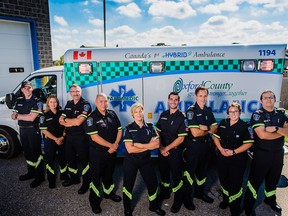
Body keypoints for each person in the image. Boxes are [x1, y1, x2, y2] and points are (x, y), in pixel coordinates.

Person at [244, 90, 288, 216]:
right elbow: (262, 135)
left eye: (271, 97)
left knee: (273, 180)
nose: (268, 99)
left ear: (275, 99)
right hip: (262, 154)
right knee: (255, 182)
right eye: (265, 98)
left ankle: (270, 200)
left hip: (278, 154)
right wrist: (281, 131)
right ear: (261, 101)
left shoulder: (281, 113)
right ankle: (248, 206)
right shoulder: (258, 115)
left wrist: (275, 128)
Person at [122, 103, 166, 216]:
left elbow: (156, 145)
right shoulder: (128, 128)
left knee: (153, 184)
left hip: (146, 160)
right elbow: (130, 149)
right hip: (131, 160)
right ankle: (127, 209)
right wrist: (148, 145)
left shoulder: (151, 127)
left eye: (140, 111)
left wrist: (139, 145)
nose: (138, 114)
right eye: (136, 112)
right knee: (128, 185)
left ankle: (154, 206)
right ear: (132, 114)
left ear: (143, 112)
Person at [83, 93, 122, 214]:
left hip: (111, 153)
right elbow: (95, 138)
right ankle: (94, 202)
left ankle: (108, 193)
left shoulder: (112, 113)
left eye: (105, 101)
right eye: (101, 101)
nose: (103, 103)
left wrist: (115, 145)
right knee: (96, 178)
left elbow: (120, 129)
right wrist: (112, 146)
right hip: (97, 154)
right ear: (96, 102)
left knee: (109, 175)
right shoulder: (91, 118)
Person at [212, 102, 254, 216]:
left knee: (235, 184)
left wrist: (233, 151)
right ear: (228, 113)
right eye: (231, 112)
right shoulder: (223, 123)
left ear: (239, 112)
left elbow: (249, 143)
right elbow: (215, 137)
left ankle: (235, 207)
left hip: (237, 160)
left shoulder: (245, 126)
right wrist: (220, 149)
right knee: (224, 180)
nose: (233, 114)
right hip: (222, 159)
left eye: (236, 111)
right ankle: (226, 200)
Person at [183, 86, 218, 209]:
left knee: (203, 172)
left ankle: (199, 193)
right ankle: (187, 199)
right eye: (200, 96)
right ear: (196, 96)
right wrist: (208, 129)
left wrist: (206, 128)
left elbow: (215, 127)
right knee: (190, 173)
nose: (203, 98)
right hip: (194, 146)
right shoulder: (191, 111)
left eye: (205, 96)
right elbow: (195, 133)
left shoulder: (208, 110)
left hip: (206, 146)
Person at [155, 92, 188, 213]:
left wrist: (166, 149)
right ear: (168, 100)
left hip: (175, 152)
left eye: (176, 100)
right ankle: (165, 193)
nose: (173, 101)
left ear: (178, 101)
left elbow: (181, 138)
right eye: (171, 99)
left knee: (177, 177)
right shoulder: (163, 114)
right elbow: (158, 132)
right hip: (162, 150)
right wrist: (160, 147)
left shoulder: (182, 117)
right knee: (163, 174)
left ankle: (178, 200)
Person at [11, 80, 45, 188]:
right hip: (23, 130)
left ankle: (39, 177)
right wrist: (21, 116)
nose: (27, 90)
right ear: (21, 90)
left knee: (36, 153)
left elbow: (32, 118)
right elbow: (13, 115)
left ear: (32, 89)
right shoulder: (19, 100)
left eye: (29, 88)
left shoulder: (37, 101)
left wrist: (19, 116)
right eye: (25, 88)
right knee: (27, 153)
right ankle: (31, 173)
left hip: (32, 130)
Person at [59, 84, 91, 194]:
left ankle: (86, 183)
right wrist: (70, 121)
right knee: (70, 159)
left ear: (80, 92)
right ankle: (74, 178)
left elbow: (79, 122)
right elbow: (60, 120)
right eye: (73, 91)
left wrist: (67, 121)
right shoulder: (68, 104)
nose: (75, 93)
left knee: (84, 161)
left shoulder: (85, 105)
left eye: (77, 91)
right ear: (70, 93)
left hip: (81, 138)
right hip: (69, 138)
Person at [39, 95, 69, 189]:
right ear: (48, 103)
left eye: (55, 102)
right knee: (49, 161)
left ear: (57, 103)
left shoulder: (62, 113)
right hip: (50, 141)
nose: (53, 104)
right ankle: (51, 180)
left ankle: (64, 176)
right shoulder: (44, 115)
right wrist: (56, 139)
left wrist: (62, 137)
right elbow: (44, 130)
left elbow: (66, 127)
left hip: (62, 139)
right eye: (51, 102)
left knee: (63, 159)